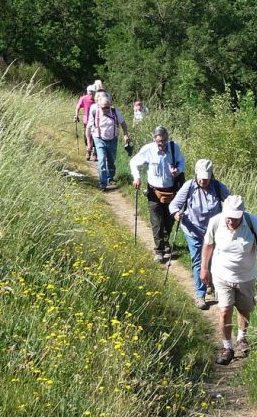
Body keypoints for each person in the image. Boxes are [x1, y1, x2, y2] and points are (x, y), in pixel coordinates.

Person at [201, 195, 257, 365]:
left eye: (235, 218)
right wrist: (204, 268)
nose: (230, 221)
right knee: (224, 310)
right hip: (222, 274)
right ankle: (227, 347)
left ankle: (242, 338)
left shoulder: (253, 223)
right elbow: (208, 245)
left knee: (244, 310)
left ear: (242, 214)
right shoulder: (216, 222)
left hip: (245, 276)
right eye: (228, 217)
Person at [169, 159, 231, 310]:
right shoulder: (189, 185)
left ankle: (212, 284)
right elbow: (174, 204)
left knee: (214, 260)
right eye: (201, 177)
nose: (203, 181)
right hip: (193, 230)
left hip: (214, 232)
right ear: (196, 174)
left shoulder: (217, 186)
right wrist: (176, 213)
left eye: (206, 178)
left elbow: (231, 202)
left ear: (211, 176)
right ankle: (200, 294)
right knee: (198, 262)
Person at [129, 126, 186, 263]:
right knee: (157, 221)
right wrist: (136, 177)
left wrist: (177, 170)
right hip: (154, 191)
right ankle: (159, 251)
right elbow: (133, 162)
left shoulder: (174, 147)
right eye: (160, 141)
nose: (162, 144)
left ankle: (165, 241)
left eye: (165, 140)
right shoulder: (148, 149)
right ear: (154, 139)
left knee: (169, 220)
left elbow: (182, 162)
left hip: (171, 191)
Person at [87, 93, 129, 191]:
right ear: (99, 106)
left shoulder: (115, 112)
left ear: (110, 105)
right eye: (103, 108)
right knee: (101, 160)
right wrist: (89, 143)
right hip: (99, 139)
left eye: (107, 107)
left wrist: (125, 134)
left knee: (111, 159)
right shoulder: (94, 112)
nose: (105, 109)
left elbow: (123, 123)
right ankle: (103, 183)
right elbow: (88, 128)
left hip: (112, 139)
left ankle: (110, 178)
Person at [74, 85, 96, 160]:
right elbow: (78, 107)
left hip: (96, 120)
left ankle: (94, 152)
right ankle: (88, 150)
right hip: (87, 120)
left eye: (93, 93)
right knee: (87, 136)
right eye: (90, 93)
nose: (91, 94)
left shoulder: (97, 99)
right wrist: (76, 115)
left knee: (95, 136)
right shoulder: (83, 98)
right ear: (87, 92)